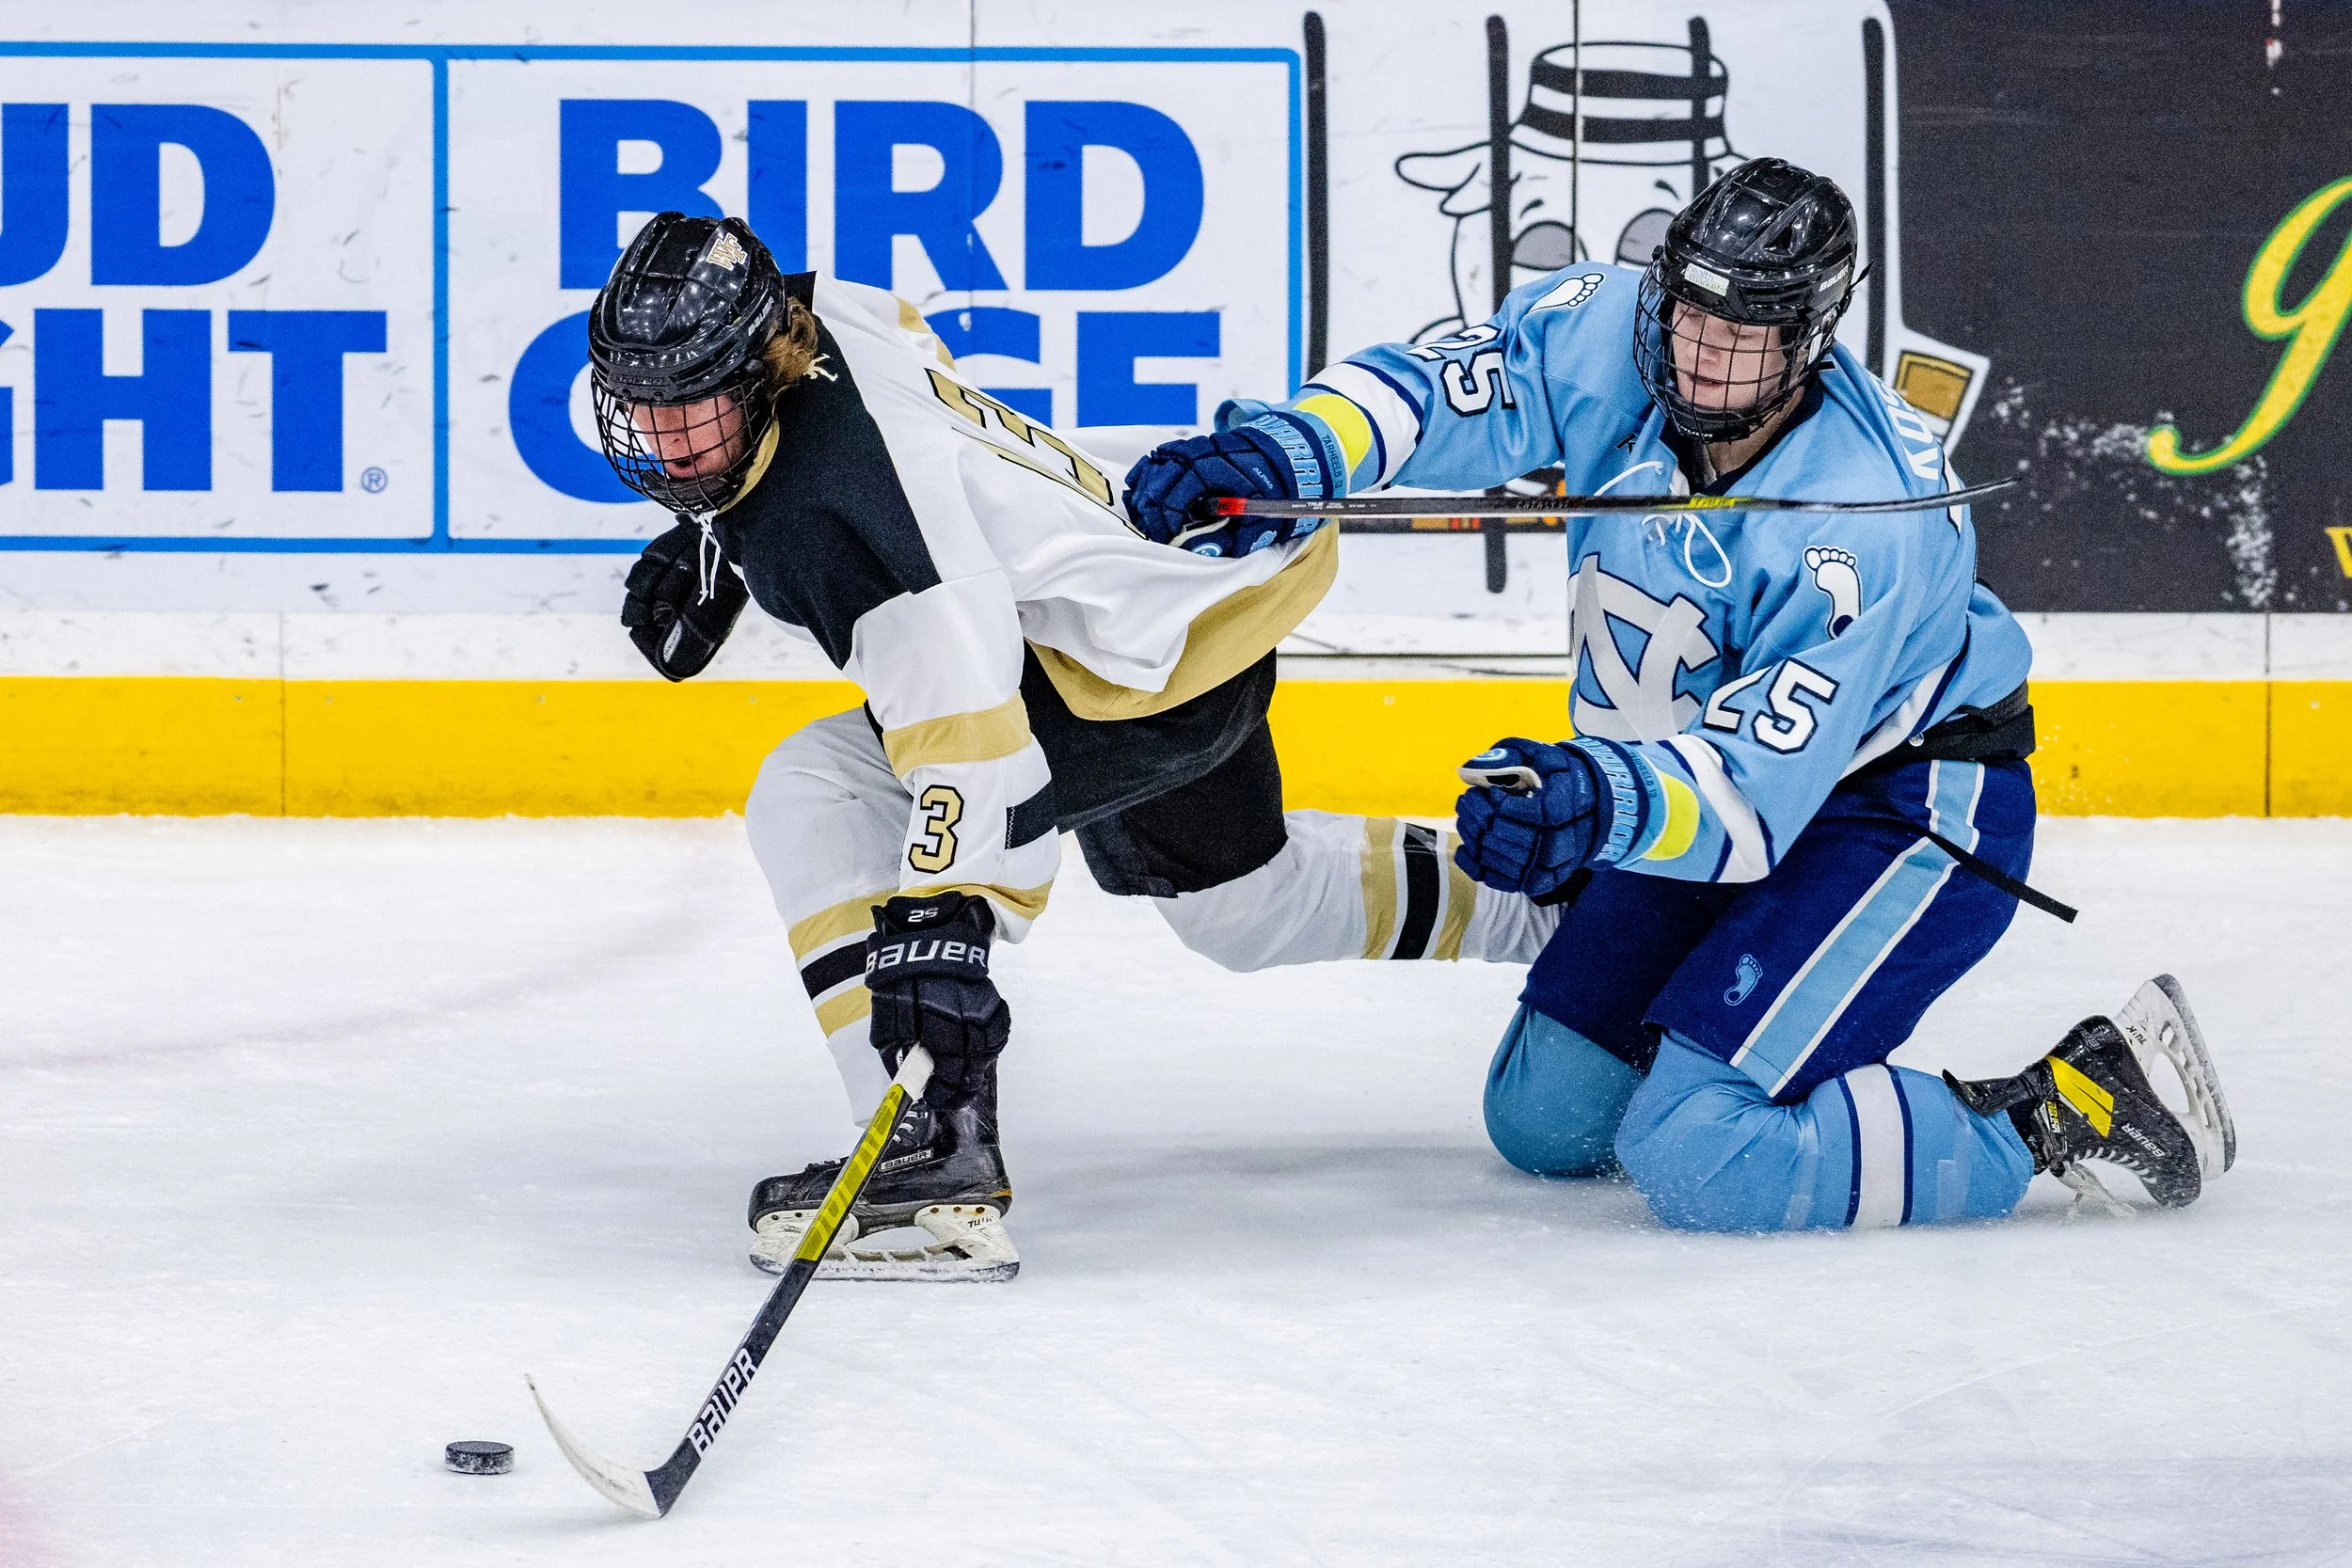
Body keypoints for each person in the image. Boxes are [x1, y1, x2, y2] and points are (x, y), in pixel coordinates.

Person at [1120, 158, 2235, 1230]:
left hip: (1899, 810)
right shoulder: (1603, 327)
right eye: (1689, 312)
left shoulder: (1864, 522)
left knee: (1699, 1155)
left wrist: (1598, 803)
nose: (1702, 353)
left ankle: (2066, 1106)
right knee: (1543, 1119)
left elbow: (1754, 794)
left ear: (1806, 339)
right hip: (1708, 786)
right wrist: (1289, 452)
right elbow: (1435, 392)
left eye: (1745, 332)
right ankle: (1719, 1008)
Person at [585, 214, 1560, 1280]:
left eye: (696, 405)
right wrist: (713, 536)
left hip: (1117, 685)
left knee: (815, 787)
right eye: (646, 402)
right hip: (1171, 621)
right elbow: (908, 340)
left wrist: (944, 926)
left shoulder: (835, 517)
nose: (669, 436)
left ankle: (925, 1156)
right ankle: (1544, 906)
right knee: (1243, 905)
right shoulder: (827, 313)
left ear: (760, 370)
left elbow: (969, 729)